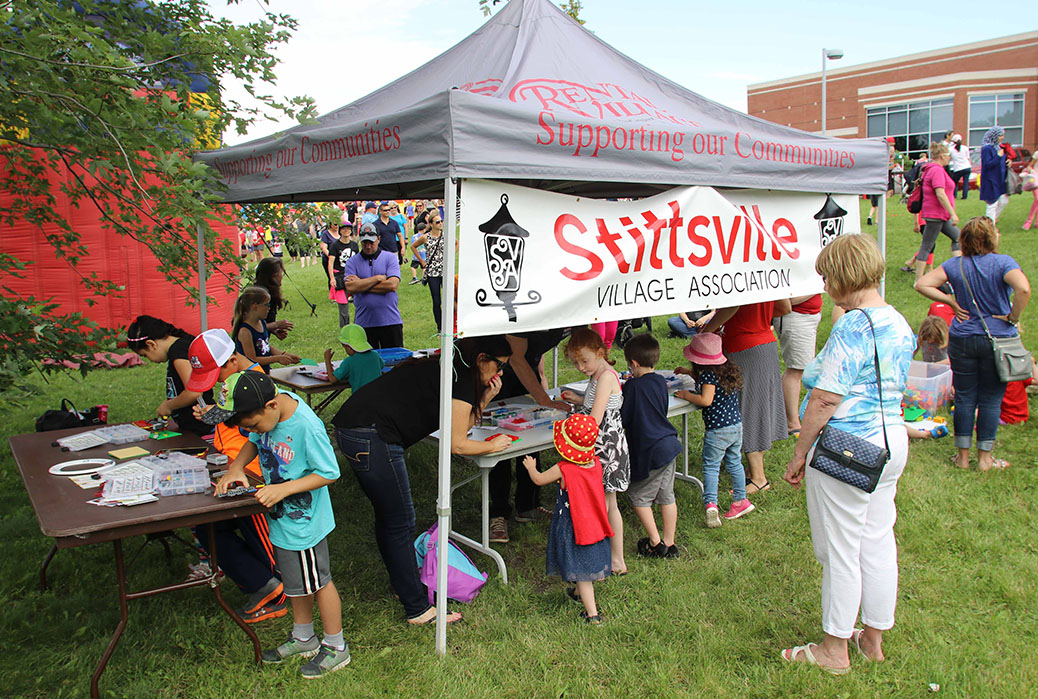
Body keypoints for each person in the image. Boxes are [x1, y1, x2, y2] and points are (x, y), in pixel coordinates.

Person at [781, 233, 915, 674]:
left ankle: (833, 649)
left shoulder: (854, 325)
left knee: (839, 551)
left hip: (847, 449)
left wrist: (800, 451)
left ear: (842, 275)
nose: (823, 286)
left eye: (826, 276)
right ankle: (871, 638)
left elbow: (824, 398)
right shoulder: (896, 320)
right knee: (876, 541)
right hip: (891, 442)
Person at [331, 336, 516, 624]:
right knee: (400, 520)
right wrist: (492, 446)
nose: (501, 373)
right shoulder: (462, 378)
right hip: (371, 434)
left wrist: (485, 398)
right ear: (481, 359)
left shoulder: (453, 369)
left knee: (391, 518)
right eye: (500, 365)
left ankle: (404, 585)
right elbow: (457, 444)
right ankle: (417, 608)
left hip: (355, 428)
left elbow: (458, 426)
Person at [207, 372, 349, 678]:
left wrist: (282, 490)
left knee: (319, 581)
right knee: (296, 582)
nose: (253, 431)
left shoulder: (305, 426)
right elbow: (253, 441)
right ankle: (304, 637)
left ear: (271, 406)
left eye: (253, 424)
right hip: (283, 520)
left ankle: (336, 646)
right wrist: (236, 467)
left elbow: (329, 472)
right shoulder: (267, 410)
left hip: (305, 521)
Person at [185, 329, 286, 623]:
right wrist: (213, 414)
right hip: (230, 468)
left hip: (254, 478)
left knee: (261, 536)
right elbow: (234, 415)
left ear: (231, 361)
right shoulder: (234, 379)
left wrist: (241, 467)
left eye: (213, 374)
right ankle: (263, 584)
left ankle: (279, 588)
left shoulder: (258, 384)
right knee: (209, 529)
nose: (214, 382)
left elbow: (256, 430)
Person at [915, 216, 1031, 470]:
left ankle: (963, 458)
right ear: (991, 238)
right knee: (990, 399)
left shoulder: (955, 265)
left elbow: (921, 283)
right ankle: (985, 459)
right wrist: (1013, 318)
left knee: (965, 397)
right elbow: (1023, 289)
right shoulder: (1003, 263)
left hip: (963, 338)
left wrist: (952, 302)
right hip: (998, 340)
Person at [523, 413, 612, 625]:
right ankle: (579, 594)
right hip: (594, 522)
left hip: (574, 526)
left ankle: (593, 616)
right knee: (585, 561)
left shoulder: (564, 469)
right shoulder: (596, 464)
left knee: (581, 570)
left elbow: (539, 479)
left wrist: (530, 468)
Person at [488, 329, 571, 544]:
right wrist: (544, 399)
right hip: (501, 368)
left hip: (526, 367)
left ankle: (528, 505)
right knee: (501, 441)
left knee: (533, 432)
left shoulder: (576, 309)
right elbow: (516, 358)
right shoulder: (525, 314)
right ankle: (498, 513)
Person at [702, 299, 791, 495]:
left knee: (748, 409)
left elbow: (733, 304)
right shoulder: (763, 270)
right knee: (760, 407)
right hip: (765, 341)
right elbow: (786, 307)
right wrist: (760, 316)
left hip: (744, 345)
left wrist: (706, 331)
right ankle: (753, 469)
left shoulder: (737, 270)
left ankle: (759, 478)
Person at [560, 328, 630, 575]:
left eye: (584, 360)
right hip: (601, 445)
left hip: (606, 449)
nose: (580, 366)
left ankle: (617, 559)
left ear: (601, 353)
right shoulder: (598, 374)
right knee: (602, 502)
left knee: (609, 503)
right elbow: (598, 403)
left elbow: (595, 419)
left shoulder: (606, 377)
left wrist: (568, 428)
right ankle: (603, 553)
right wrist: (579, 400)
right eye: (576, 362)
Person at [674, 333, 754, 527]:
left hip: (718, 430)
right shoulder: (726, 371)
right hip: (736, 427)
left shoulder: (708, 375)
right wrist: (688, 372)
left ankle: (711, 505)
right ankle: (741, 501)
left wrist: (686, 395)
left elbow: (705, 400)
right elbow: (711, 385)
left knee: (711, 466)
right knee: (734, 462)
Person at [619, 333, 682, 558]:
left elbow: (623, 417)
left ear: (633, 364)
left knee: (638, 496)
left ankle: (656, 543)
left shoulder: (632, 387)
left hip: (651, 449)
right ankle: (670, 541)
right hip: (669, 444)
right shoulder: (659, 381)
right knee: (667, 495)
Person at [126, 315, 214, 435]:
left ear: (151, 344)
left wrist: (168, 405)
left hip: (201, 426)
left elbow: (194, 392)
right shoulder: (180, 346)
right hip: (195, 425)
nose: (150, 360)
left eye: (145, 355)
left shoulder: (178, 350)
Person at [343, 224, 403, 348]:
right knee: (368, 364)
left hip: (390, 321)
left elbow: (392, 285)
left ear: (379, 239)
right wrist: (376, 279)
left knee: (394, 363)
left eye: (371, 242)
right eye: (364, 242)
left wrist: (361, 284)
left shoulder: (390, 258)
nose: (368, 246)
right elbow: (351, 288)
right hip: (364, 323)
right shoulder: (352, 262)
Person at [772, 294, 822, 435]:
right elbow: (788, 299)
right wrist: (815, 286)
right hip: (796, 316)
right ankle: (792, 423)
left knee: (801, 369)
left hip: (808, 315)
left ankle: (792, 418)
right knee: (796, 370)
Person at [914, 142, 961, 285]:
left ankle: (957, 273)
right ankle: (918, 280)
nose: (949, 159)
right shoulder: (937, 170)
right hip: (936, 215)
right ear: (942, 156)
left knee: (958, 237)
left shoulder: (930, 169)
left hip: (938, 215)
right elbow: (940, 193)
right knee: (927, 245)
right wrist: (953, 213)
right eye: (948, 156)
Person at [232, 286, 300, 372]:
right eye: (267, 305)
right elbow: (252, 360)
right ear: (255, 307)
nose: (269, 308)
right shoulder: (245, 331)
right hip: (251, 376)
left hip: (264, 373)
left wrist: (285, 355)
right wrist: (277, 358)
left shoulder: (262, 323)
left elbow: (265, 346)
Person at [323, 323, 384, 391]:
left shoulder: (349, 361)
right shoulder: (375, 355)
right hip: (379, 397)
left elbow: (333, 379)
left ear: (349, 347)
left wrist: (327, 360)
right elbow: (381, 365)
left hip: (360, 399)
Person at [411, 216, 445, 331]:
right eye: (437, 222)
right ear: (431, 224)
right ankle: (440, 326)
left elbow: (456, 243)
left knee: (448, 299)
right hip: (432, 272)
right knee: (437, 301)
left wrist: (450, 256)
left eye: (441, 221)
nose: (440, 223)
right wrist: (421, 261)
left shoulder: (445, 235)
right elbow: (413, 246)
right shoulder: (426, 237)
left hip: (445, 271)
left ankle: (449, 324)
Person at [326, 220, 358, 328]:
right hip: (339, 276)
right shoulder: (335, 246)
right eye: (343, 229)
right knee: (343, 307)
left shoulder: (354, 245)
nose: (346, 231)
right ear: (340, 231)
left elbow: (358, 261)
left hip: (353, 276)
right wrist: (332, 279)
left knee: (359, 303)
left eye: (348, 229)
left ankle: (359, 326)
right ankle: (345, 329)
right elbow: (330, 263)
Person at [254, 257, 293, 341]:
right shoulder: (259, 296)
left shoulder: (270, 293)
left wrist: (274, 330)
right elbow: (252, 326)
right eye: (281, 272)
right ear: (273, 275)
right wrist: (276, 325)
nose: (282, 275)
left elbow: (263, 323)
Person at [979, 126, 1009, 225]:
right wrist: (998, 156)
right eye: (1000, 135)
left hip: (999, 180)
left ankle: (990, 223)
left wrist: (1007, 161)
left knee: (1003, 201)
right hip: (990, 180)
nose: (1002, 138)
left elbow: (999, 162)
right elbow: (987, 164)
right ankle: (989, 228)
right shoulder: (987, 148)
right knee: (992, 204)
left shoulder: (997, 147)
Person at [948, 134, 972, 200]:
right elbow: (968, 158)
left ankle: (954, 195)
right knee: (966, 182)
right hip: (967, 167)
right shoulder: (965, 148)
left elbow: (949, 158)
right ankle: (964, 196)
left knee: (954, 182)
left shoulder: (951, 149)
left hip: (958, 168)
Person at [407, 221, 427, 286]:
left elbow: (412, 245)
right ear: (424, 229)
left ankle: (414, 277)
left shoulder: (414, 236)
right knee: (423, 267)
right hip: (423, 255)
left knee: (413, 267)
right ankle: (423, 278)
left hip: (416, 255)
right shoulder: (425, 236)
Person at [1022, 153, 1038, 230]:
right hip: (1035, 180)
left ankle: (1037, 222)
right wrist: (1032, 173)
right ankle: (1028, 222)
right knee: (1037, 199)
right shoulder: (1037, 154)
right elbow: (1029, 166)